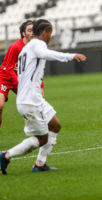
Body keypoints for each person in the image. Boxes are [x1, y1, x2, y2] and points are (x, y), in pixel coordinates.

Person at [0, 19, 86, 174]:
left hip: (34, 98)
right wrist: (71, 56)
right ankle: (6, 155)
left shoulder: (27, 48)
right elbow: (46, 54)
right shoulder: (37, 44)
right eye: (50, 34)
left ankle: (40, 164)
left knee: (55, 125)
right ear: (45, 31)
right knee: (42, 138)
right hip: (29, 100)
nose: (50, 37)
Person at [0, 20, 34, 127]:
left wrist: (40, 86)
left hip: (20, 80)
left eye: (34, 30)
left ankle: (38, 134)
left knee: (33, 106)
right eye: (29, 30)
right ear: (23, 33)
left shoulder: (35, 48)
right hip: (5, 78)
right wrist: (21, 86)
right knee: (0, 106)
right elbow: (9, 69)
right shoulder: (15, 47)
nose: (32, 32)